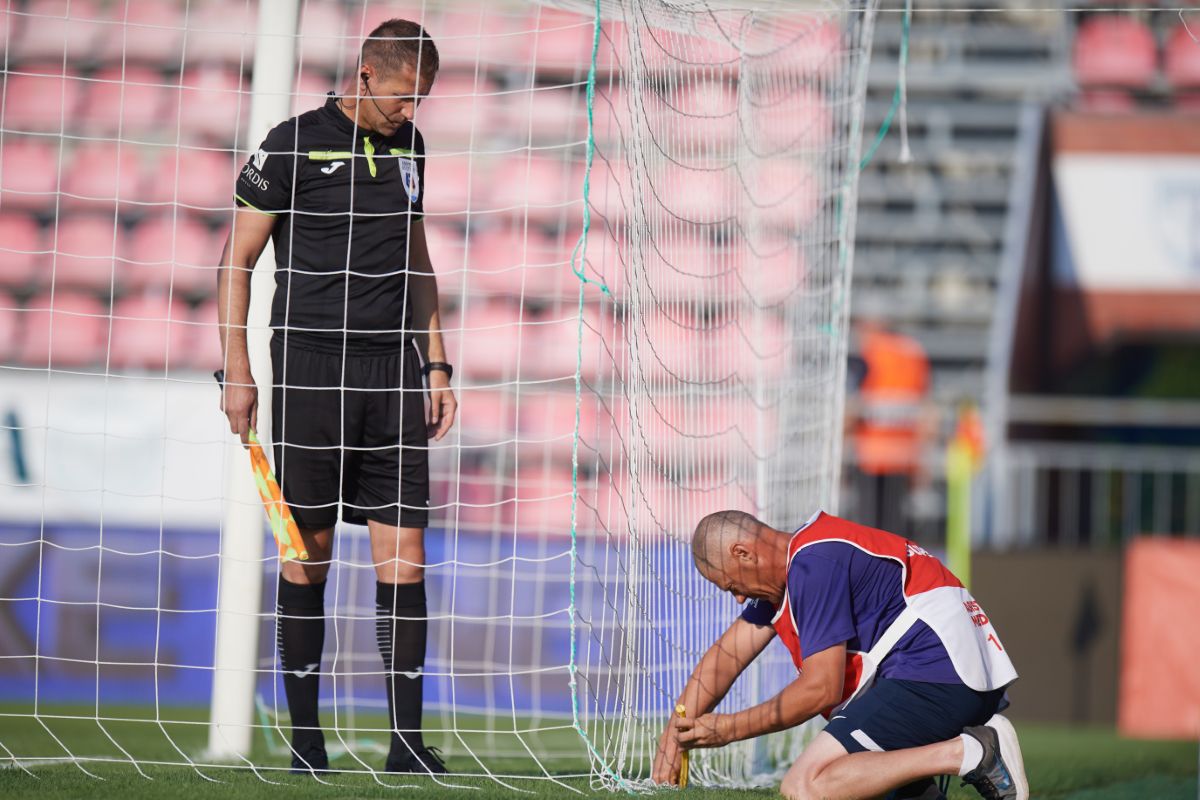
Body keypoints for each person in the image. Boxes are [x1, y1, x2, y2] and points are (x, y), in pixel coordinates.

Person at [216, 19, 456, 775]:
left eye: (420, 101)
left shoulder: (410, 149)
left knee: (406, 556)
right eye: (401, 98)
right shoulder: (290, 144)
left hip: (391, 373)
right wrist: (239, 369)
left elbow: (418, 258)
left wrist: (437, 362)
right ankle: (305, 743)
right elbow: (238, 262)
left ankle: (407, 745)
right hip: (312, 368)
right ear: (364, 75)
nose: (409, 112)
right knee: (305, 556)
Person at [652, 510, 1027, 800]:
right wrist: (672, 737)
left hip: (938, 674)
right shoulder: (803, 561)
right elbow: (726, 656)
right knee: (853, 780)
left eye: (732, 585)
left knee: (805, 784)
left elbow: (820, 690)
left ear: (743, 553)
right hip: (945, 671)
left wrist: (728, 729)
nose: (737, 598)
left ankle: (973, 752)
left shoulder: (813, 563)